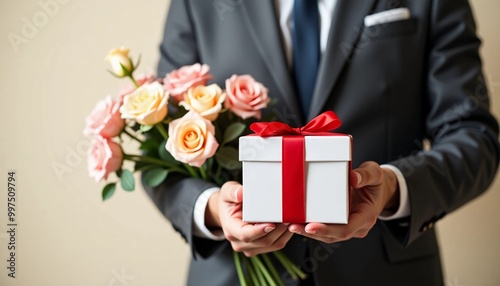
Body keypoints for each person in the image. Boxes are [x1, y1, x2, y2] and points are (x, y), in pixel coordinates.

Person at [144, 0, 500, 285]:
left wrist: (393, 187)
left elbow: (474, 137)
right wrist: (211, 209)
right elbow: (158, 148)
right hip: (236, 273)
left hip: (384, 273)